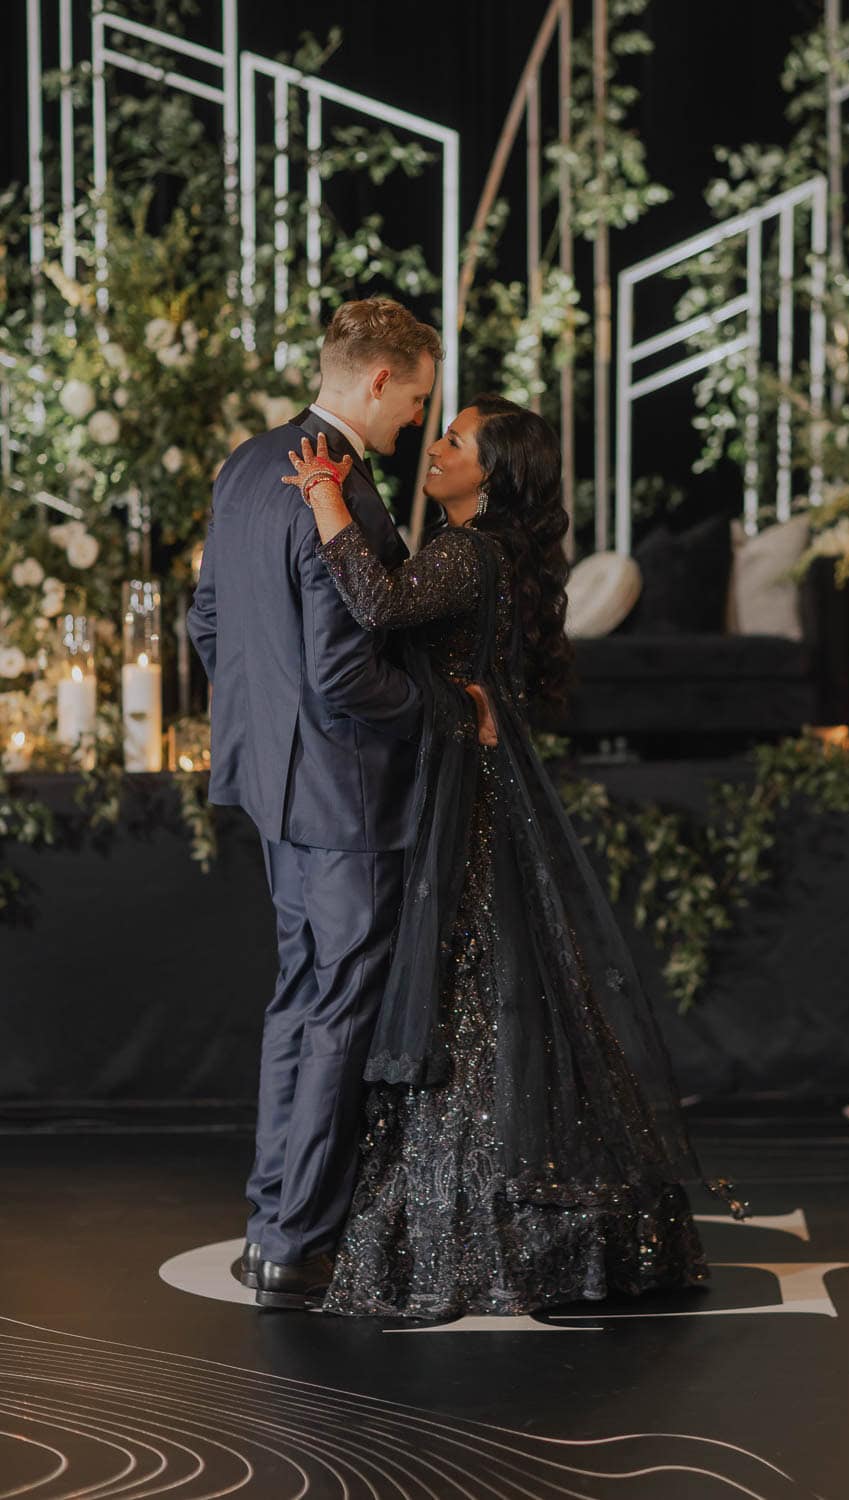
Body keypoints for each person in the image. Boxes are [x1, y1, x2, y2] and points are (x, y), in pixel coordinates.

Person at [280, 396, 744, 1320]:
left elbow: (379, 604)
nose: (437, 447)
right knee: (493, 982)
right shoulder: (484, 552)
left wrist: (328, 499)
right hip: (473, 782)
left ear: (490, 473)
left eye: (455, 440)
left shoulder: (466, 550)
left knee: (471, 985)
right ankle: (538, 1211)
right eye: (440, 429)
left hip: (463, 797)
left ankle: (487, 1224)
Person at [187, 297, 496, 1311]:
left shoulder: (244, 465)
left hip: (273, 784)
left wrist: (262, 725)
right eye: (416, 399)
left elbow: (209, 623)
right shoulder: (340, 488)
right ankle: (290, 1244)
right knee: (333, 1008)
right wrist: (442, 707)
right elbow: (342, 676)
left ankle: (271, 1219)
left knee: (301, 996)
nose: (416, 421)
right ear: (376, 382)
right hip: (348, 788)